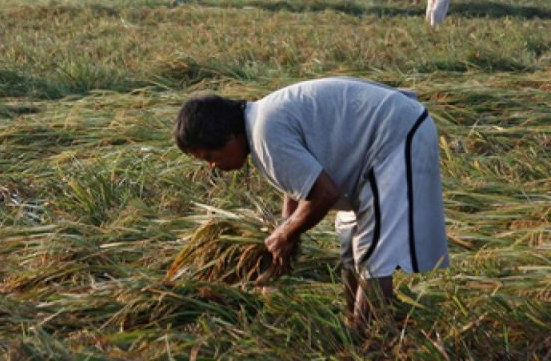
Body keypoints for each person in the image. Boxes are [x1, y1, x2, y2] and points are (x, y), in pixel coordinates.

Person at [173, 77, 449, 330]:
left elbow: (323, 194)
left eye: (211, 155)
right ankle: (354, 323)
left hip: (395, 134)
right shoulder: (259, 124)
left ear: (230, 136)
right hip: (378, 142)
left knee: (374, 256)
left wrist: (286, 233)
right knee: (352, 251)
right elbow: (297, 184)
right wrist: (286, 228)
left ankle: (370, 340)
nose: (212, 166)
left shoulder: (264, 133)